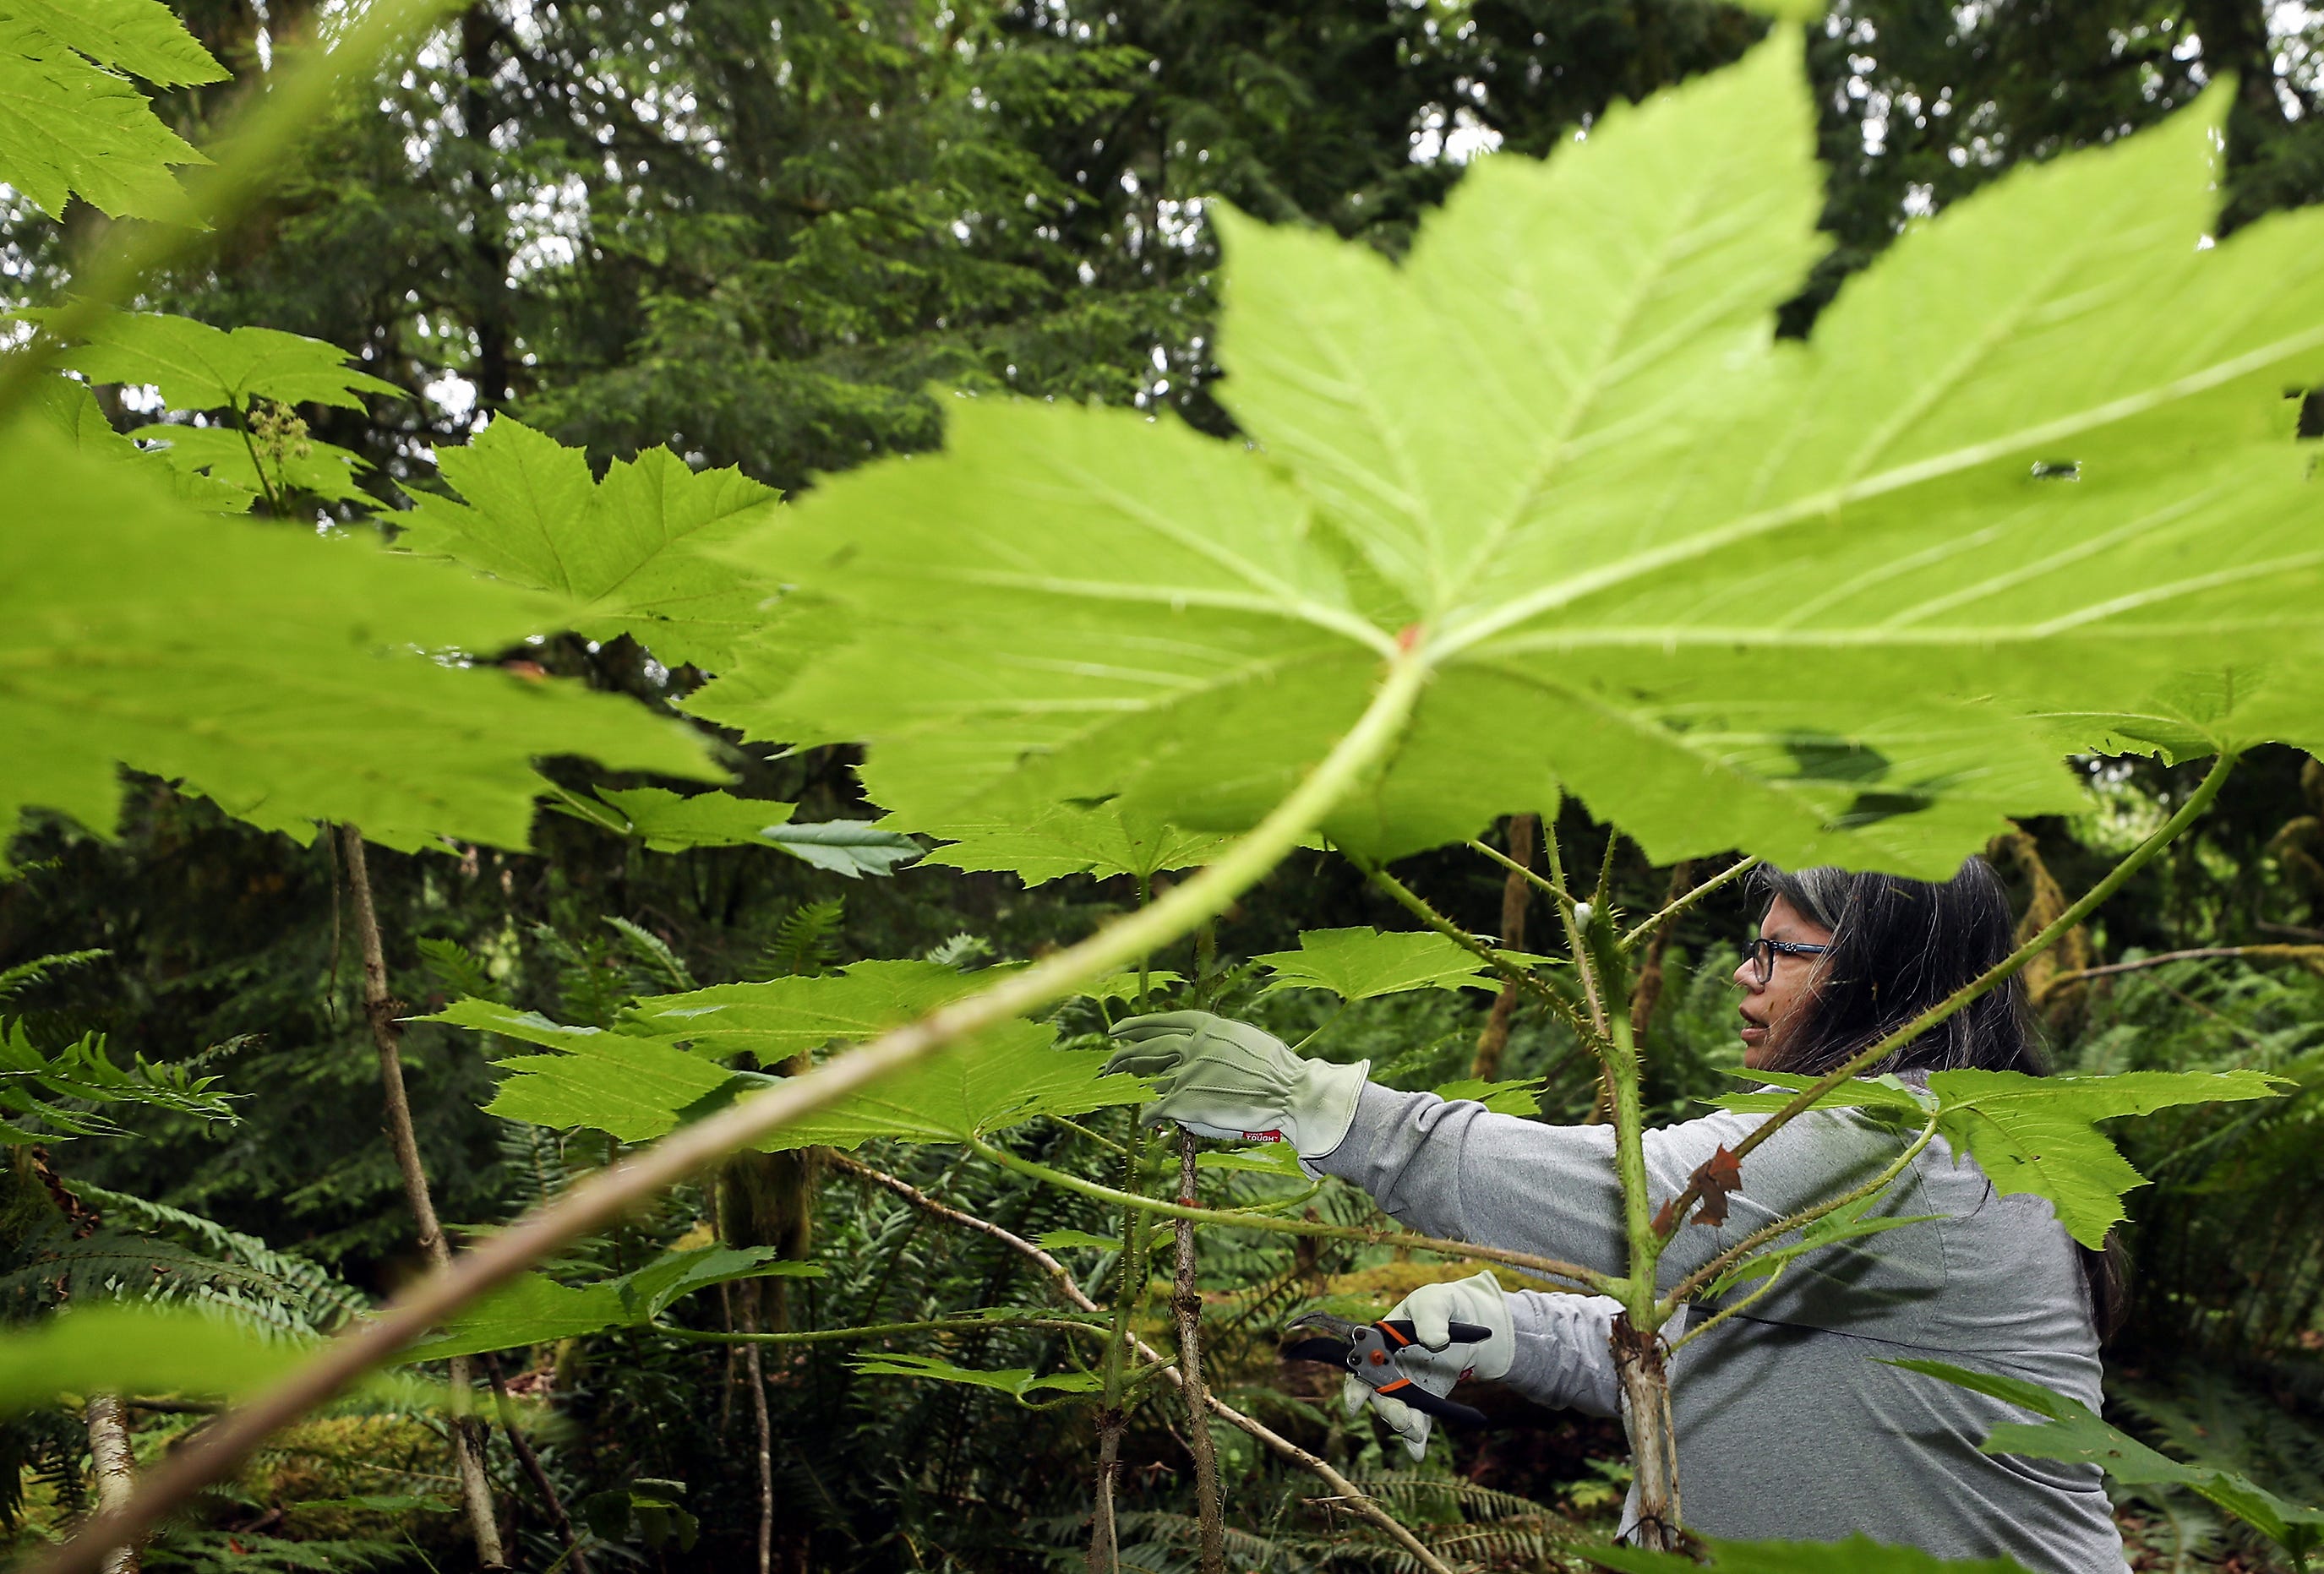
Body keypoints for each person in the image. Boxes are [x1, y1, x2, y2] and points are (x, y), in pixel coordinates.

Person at [1104, 859, 2130, 1573]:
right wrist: (1503, 1329)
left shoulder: (1906, 1144)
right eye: (1749, 945)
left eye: (1781, 952)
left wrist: (1324, 1108)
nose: (1743, 972)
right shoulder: (1909, 1145)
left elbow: (1625, 1200)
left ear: (1875, 978)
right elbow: (1725, 1348)